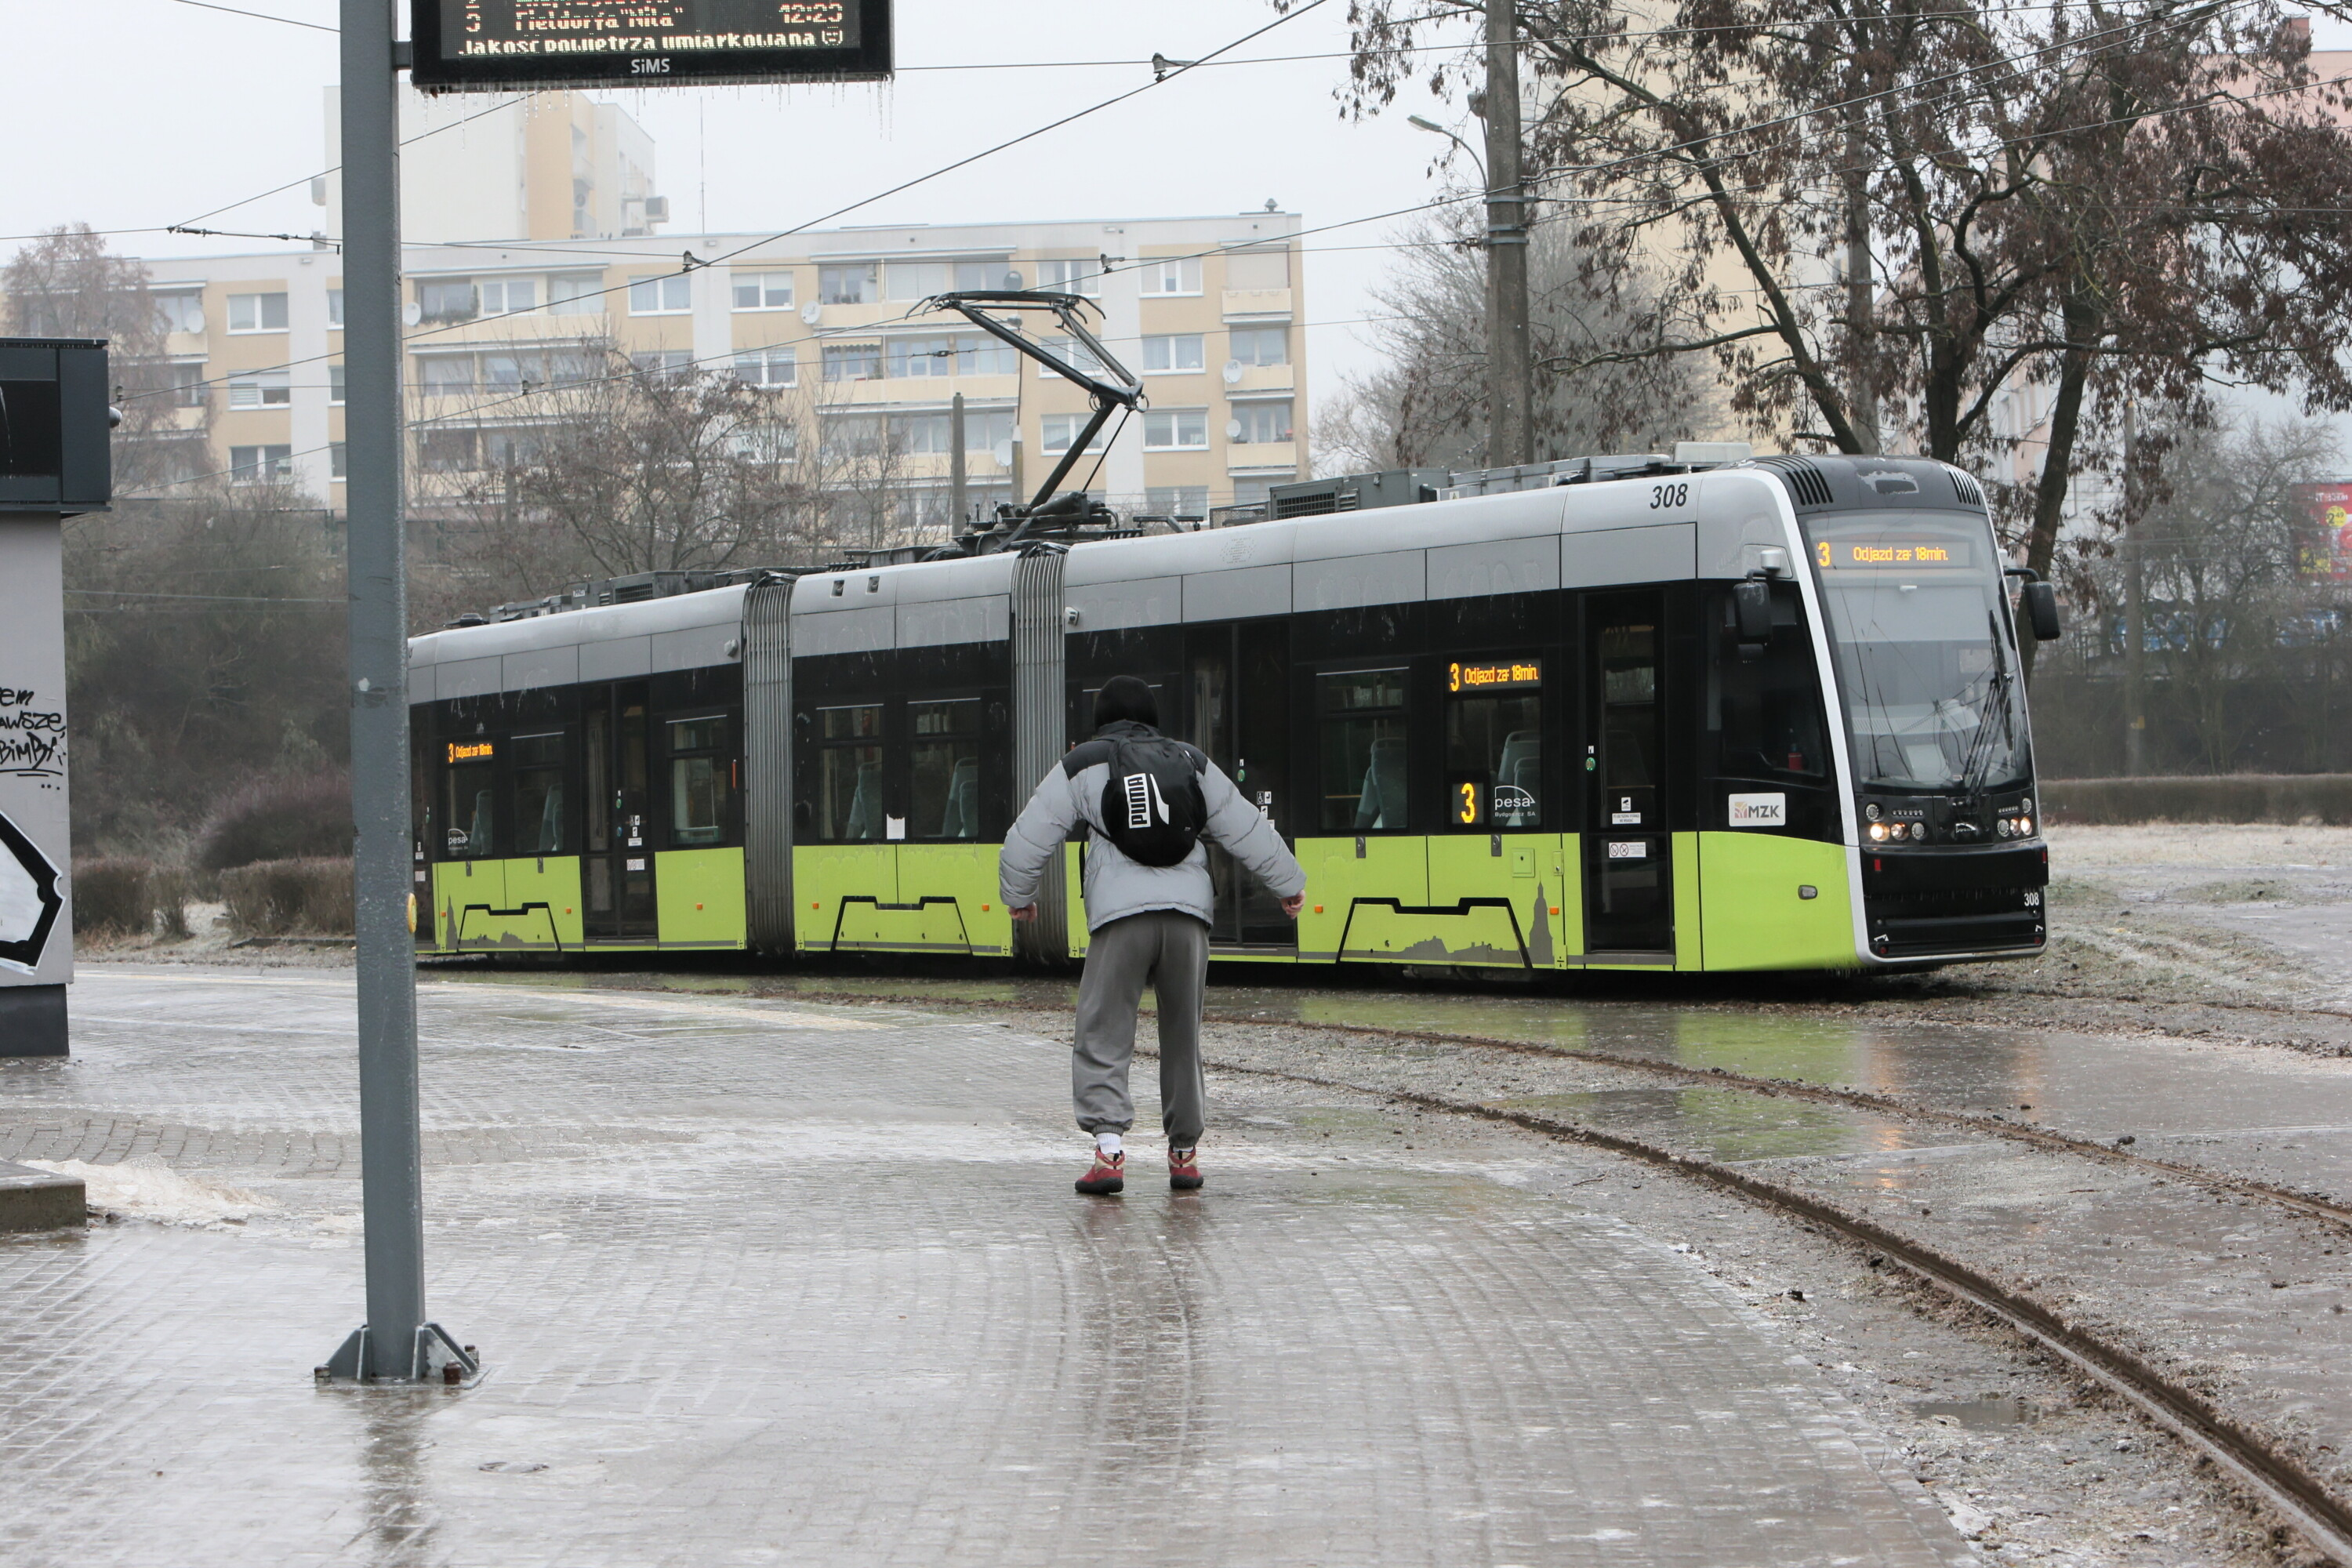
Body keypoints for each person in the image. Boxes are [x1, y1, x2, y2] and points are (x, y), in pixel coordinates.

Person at [1001, 676, 1305, 1196]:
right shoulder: (1187, 760)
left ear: (1101, 719)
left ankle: (1109, 1154)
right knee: (1183, 1036)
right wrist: (1288, 883)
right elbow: (1244, 825)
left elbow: (1029, 836)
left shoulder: (1083, 764)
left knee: (1104, 1031)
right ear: (1152, 716)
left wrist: (1019, 896)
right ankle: (1184, 1155)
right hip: (1188, 918)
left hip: (1122, 919)